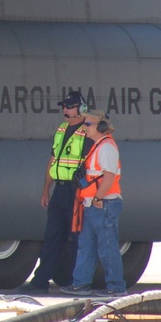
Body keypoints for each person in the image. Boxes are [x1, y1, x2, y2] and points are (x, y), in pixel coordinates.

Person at [17, 90, 89, 294]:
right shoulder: (61, 129)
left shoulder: (88, 131)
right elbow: (53, 160)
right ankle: (40, 281)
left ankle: (77, 281)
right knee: (52, 237)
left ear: (81, 108)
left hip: (77, 192)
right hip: (60, 190)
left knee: (76, 239)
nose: (65, 110)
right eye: (64, 106)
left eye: (70, 106)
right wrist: (45, 190)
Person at [60, 110, 126, 297]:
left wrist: (97, 198)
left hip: (103, 204)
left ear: (101, 126)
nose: (84, 127)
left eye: (88, 124)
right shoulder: (98, 146)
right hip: (93, 204)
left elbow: (109, 176)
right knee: (86, 245)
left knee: (107, 247)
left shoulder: (106, 147)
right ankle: (80, 284)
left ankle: (116, 286)